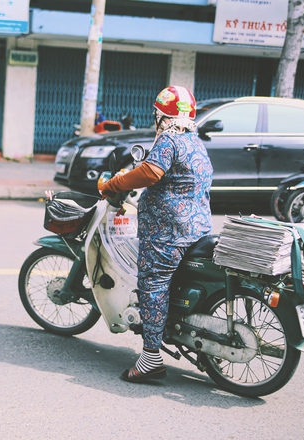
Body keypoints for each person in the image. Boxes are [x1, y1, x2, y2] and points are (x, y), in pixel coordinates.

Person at [99, 85, 213, 383]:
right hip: (196, 228)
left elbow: (150, 172)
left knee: (152, 283)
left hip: (168, 233)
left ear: (160, 115)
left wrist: (114, 184)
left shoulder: (169, 139)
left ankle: (150, 357)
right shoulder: (194, 141)